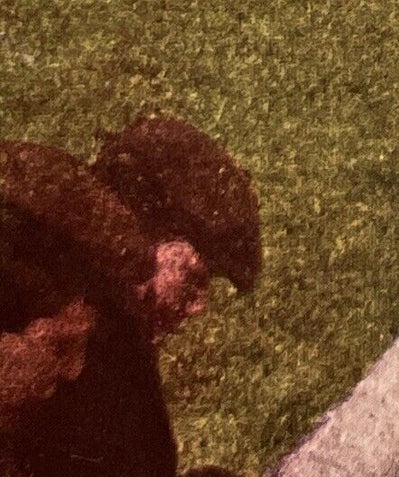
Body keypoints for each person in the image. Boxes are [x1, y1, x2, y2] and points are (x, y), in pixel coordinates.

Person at [1, 116, 262, 477]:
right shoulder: (55, 295)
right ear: (149, 238)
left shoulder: (106, 318)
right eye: (196, 278)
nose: (199, 306)